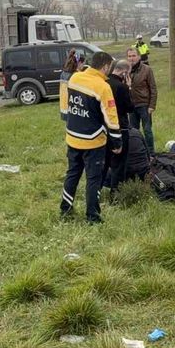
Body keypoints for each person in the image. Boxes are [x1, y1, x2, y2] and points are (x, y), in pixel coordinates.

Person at [60, 52, 121, 223]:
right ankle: (92, 216)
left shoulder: (75, 78)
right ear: (105, 66)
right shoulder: (103, 87)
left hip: (72, 136)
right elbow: (112, 118)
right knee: (94, 179)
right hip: (93, 141)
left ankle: (65, 209)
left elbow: (68, 105)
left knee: (72, 174)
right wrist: (117, 142)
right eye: (110, 67)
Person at [104, 60, 135, 195]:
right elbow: (130, 108)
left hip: (103, 128)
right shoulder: (121, 87)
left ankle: (97, 191)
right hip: (120, 128)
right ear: (124, 73)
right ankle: (115, 194)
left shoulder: (104, 83)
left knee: (104, 163)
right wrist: (129, 88)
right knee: (118, 163)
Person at [126, 48, 157, 155]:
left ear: (139, 57)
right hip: (131, 106)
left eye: (133, 56)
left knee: (147, 130)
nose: (131, 58)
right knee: (134, 132)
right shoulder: (125, 70)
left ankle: (151, 152)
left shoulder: (147, 69)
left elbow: (153, 88)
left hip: (144, 105)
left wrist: (152, 105)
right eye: (129, 56)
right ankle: (138, 152)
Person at [59, 49, 85, 122]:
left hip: (64, 107)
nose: (83, 66)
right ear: (79, 62)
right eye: (83, 63)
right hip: (74, 109)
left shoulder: (64, 73)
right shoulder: (76, 75)